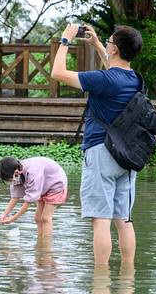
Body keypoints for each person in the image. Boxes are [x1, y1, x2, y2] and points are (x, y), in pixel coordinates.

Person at [51, 23, 143, 266]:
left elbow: (57, 73)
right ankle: (127, 282)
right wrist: (96, 44)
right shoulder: (135, 80)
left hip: (101, 151)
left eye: (109, 41)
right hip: (128, 155)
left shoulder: (103, 79)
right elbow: (114, 67)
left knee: (100, 219)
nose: (107, 44)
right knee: (124, 219)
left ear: (116, 48)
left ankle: (100, 283)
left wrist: (65, 40)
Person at [0, 156, 69, 239]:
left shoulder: (33, 172)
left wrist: (14, 217)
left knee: (45, 218)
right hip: (42, 187)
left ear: (16, 172)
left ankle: (46, 245)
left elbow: (29, 200)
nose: (10, 181)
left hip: (56, 184)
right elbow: (15, 197)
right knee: (37, 218)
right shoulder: (17, 175)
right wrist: (4, 214)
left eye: (9, 179)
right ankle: (40, 242)